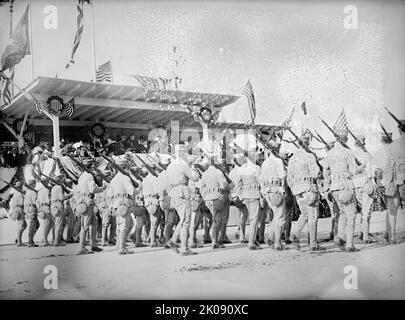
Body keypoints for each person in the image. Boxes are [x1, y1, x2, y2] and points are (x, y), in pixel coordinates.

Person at [323, 129, 358, 252]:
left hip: (334, 187)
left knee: (342, 213)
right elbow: (353, 171)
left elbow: (325, 171)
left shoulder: (329, 153)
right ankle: (349, 244)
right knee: (351, 215)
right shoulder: (348, 152)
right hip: (345, 185)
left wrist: (327, 186)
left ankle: (339, 238)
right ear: (345, 139)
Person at [287, 131, 321, 251]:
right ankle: (312, 243)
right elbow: (316, 172)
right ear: (307, 144)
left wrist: (294, 188)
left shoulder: (292, 158)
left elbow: (289, 178)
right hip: (308, 187)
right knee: (313, 215)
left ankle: (294, 236)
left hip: (297, 189)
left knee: (304, 215)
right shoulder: (309, 156)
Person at [165, 144, 200, 255]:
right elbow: (194, 177)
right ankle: (184, 248)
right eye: (185, 152)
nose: (186, 154)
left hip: (174, 194)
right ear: (181, 153)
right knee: (186, 222)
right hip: (183, 193)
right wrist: (194, 169)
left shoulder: (170, 166)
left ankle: (173, 240)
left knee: (183, 219)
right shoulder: (184, 165)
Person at [232, 136, 262, 251]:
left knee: (247, 218)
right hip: (254, 195)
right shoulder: (256, 168)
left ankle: (250, 239)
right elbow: (261, 182)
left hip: (245, 196)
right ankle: (251, 243)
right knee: (254, 219)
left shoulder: (241, 169)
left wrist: (241, 196)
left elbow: (238, 184)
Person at [199, 154, 231, 249]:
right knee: (218, 220)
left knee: (215, 219)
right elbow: (224, 185)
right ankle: (215, 241)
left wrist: (205, 197)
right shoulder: (218, 172)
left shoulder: (205, 173)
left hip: (208, 199)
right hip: (217, 197)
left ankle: (215, 240)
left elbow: (201, 187)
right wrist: (231, 186)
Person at [74, 158, 105, 255]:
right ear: (90, 166)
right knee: (85, 225)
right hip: (88, 201)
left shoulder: (81, 177)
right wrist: (102, 188)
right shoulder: (89, 176)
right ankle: (82, 247)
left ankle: (93, 245)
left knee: (94, 223)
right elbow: (93, 189)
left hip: (84, 200)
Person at [260, 142, 287, 250]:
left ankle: (272, 238)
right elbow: (282, 176)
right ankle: (277, 242)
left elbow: (261, 179)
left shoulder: (265, 163)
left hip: (267, 191)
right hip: (277, 190)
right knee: (280, 216)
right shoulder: (278, 161)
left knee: (274, 215)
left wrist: (264, 193)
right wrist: (283, 189)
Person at [108, 156, 135, 254]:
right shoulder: (125, 177)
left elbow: (109, 194)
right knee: (124, 226)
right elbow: (131, 191)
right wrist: (139, 188)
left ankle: (119, 244)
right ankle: (122, 248)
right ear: (125, 166)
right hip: (124, 203)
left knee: (125, 225)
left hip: (116, 204)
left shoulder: (114, 179)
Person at [352, 134, 375, 243]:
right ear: (363, 144)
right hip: (365, 183)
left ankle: (362, 232)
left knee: (360, 210)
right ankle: (365, 236)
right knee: (367, 211)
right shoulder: (366, 155)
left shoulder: (350, 154)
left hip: (355, 185)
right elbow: (371, 172)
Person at [229, 154, 248, 244]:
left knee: (241, 214)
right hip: (242, 195)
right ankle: (242, 235)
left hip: (234, 196)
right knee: (244, 216)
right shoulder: (243, 171)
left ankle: (239, 230)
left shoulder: (232, 172)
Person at [9, 182, 27, 246]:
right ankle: (19, 242)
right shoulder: (19, 193)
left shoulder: (15, 193)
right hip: (19, 209)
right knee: (21, 226)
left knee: (24, 225)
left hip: (16, 209)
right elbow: (21, 203)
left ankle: (17, 239)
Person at [36, 181, 53, 246]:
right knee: (47, 224)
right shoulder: (47, 190)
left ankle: (44, 238)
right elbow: (48, 200)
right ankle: (45, 240)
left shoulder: (40, 191)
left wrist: (39, 208)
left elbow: (37, 201)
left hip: (41, 208)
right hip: (46, 208)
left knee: (49, 224)